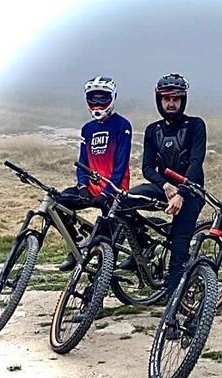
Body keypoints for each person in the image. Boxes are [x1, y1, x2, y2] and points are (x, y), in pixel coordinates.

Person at [124, 73, 207, 297]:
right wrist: (166, 186)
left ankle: (174, 303)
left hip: (191, 190)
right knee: (124, 202)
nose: (171, 103)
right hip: (165, 188)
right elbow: (147, 168)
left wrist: (181, 193)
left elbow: (196, 163)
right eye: (166, 99)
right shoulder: (153, 130)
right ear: (159, 100)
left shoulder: (196, 125)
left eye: (176, 99)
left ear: (183, 100)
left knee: (179, 246)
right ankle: (140, 250)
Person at [58, 76, 132, 271]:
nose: (97, 103)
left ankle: (125, 261)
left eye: (102, 98)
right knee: (58, 203)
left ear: (112, 98)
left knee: (106, 248)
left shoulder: (122, 125)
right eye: (93, 98)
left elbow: (121, 165)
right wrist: (82, 186)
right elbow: (82, 161)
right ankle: (76, 244)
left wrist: (107, 193)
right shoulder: (87, 129)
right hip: (91, 189)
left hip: (114, 191)